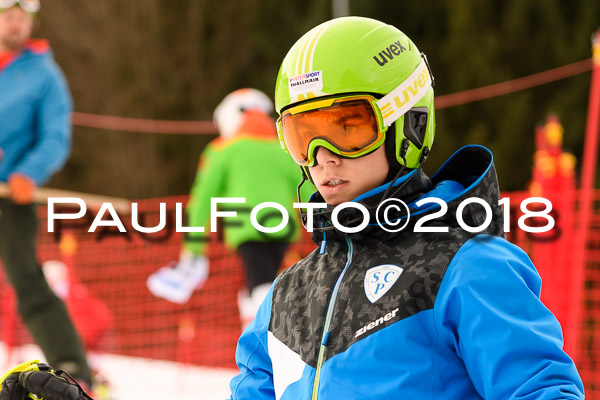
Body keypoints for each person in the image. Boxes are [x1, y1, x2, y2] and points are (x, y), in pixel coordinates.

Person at [227, 17, 584, 399]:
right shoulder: (287, 296)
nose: (322, 158)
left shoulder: (465, 265)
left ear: (409, 125)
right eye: (303, 137)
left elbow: (541, 389)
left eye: (347, 129)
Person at [147, 88, 311, 328]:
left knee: (260, 287)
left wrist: (193, 247)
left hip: (248, 228)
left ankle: (264, 343)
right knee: (260, 283)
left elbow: (202, 199)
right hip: (283, 230)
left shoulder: (224, 150)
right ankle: (260, 333)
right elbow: (308, 190)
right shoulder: (283, 150)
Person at [0, 0, 92, 390]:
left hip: (10, 195)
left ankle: (73, 368)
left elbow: (56, 135)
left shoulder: (43, 75)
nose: (16, 23)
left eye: (23, 17)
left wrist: (28, 171)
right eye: (8, 15)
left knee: (27, 280)